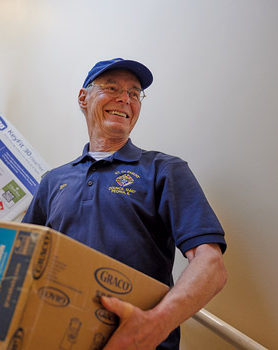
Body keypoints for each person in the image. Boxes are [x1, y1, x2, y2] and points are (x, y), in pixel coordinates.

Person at [21, 58, 228, 350]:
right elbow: (24, 259)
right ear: (83, 97)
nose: (125, 99)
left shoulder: (164, 169)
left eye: (134, 93)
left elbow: (211, 266)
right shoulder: (53, 180)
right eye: (112, 87)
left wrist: (155, 325)